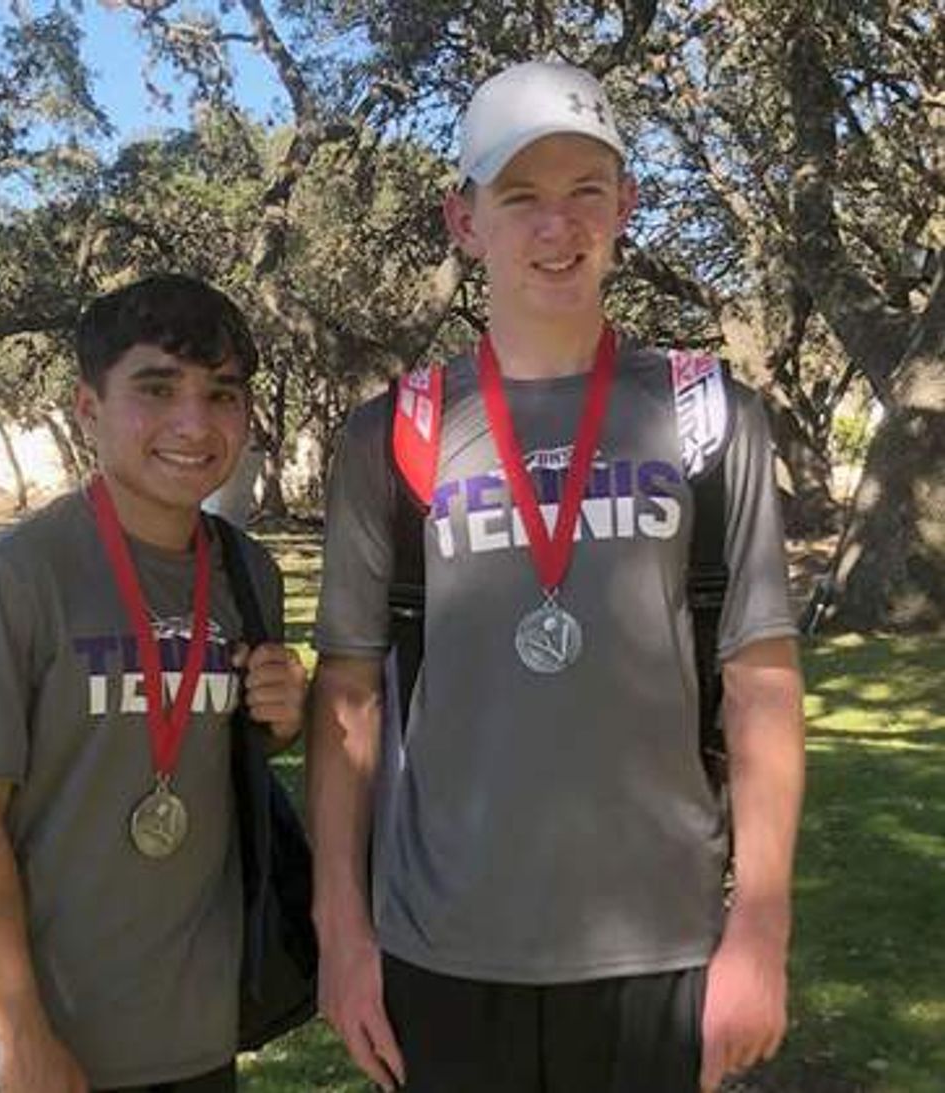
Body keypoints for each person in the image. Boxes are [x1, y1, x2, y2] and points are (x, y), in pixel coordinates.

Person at [308, 60, 806, 1093]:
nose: (557, 227)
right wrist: (343, 934)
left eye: (586, 192)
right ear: (463, 217)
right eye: (521, 196)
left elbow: (760, 681)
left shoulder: (709, 417)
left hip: (658, 948)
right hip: (440, 950)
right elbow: (348, 700)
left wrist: (759, 929)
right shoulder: (394, 435)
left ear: (625, 206)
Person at [0, 274, 307, 1093]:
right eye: (157, 388)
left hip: (196, 1036)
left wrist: (278, 718)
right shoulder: (18, 576)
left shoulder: (249, 573)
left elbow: (216, 746)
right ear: (87, 407)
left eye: (222, 393)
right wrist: (20, 1029)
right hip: (38, 1047)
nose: (194, 422)